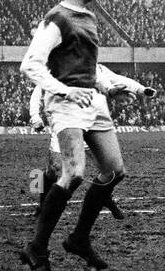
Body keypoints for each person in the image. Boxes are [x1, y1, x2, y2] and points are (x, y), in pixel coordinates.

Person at [19, 0, 155, 271]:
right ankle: (37, 247)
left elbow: (91, 69)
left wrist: (117, 88)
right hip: (65, 105)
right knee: (74, 172)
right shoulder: (56, 19)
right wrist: (64, 90)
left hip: (92, 103)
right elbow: (30, 66)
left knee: (114, 171)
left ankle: (78, 239)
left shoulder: (90, 18)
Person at [29, 84, 124, 220]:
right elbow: (36, 95)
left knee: (110, 169)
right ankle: (43, 206)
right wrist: (35, 117)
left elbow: (102, 84)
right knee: (54, 169)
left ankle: (107, 200)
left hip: (90, 126)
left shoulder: (84, 70)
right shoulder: (52, 71)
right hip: (63, 127)